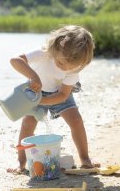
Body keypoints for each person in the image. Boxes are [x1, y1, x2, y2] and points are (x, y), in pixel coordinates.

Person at [8, 25, 99, 174]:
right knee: (27, 124)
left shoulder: (73, 70)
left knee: (76, 121)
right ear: (55, 47)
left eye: (70, 67)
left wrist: (42, 102)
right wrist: (33, 76)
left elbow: (63, 95)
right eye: (62, 63)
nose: (65, 69)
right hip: (35, 92)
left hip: (60, 93)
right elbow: (15, 60)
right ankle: (21, 162)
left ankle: (85, 159)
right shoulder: (44, 54)